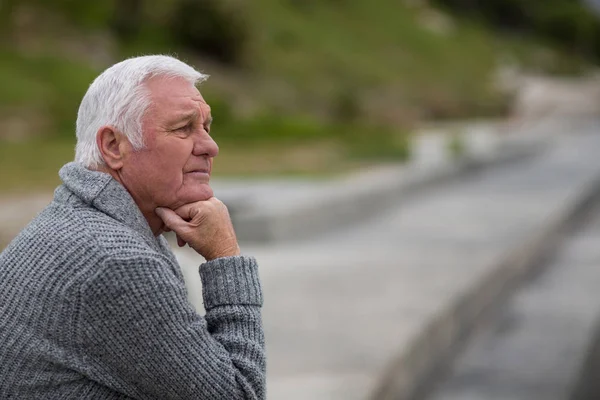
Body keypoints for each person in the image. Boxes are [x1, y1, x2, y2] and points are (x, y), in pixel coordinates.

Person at [0, 55, 266, 399]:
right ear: (113, 146)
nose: (210, 147)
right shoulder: (115, 261)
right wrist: (224, 256)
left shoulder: (77, 220)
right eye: (183, 129)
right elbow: (239, 394)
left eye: (206, 127)